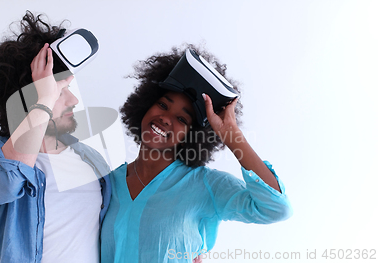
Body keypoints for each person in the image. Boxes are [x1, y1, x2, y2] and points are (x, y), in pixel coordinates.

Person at [100, 45, 293, 263]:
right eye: (162, 104)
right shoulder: (108, 184)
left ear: (192, 136)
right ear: (144, 105)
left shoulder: (205, 185)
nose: (165, 118)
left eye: (182, 119)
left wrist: (232, 136)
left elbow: (276, 208)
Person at [0, 12, 111, 263]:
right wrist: (43, 99)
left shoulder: (91, 159)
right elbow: (7, 182)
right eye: (61, 91)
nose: (74, 100)